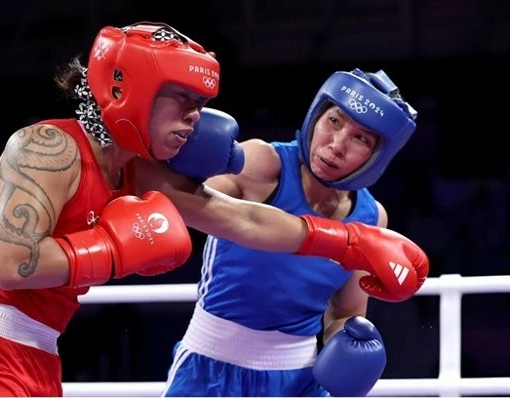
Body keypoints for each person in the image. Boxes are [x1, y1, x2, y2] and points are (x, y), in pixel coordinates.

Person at [0, 19, 427, 396]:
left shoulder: (134, 171)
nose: (194, 119)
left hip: (39, 356)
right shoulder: (46, 147)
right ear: (129, 92)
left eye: (199, 105)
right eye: (181, 100)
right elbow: (12, 267)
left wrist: (350, 240)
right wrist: (116, 246)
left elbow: (241, 220)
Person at [159, 68, 425, 397]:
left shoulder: (370, 218)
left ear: (377, 156)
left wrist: (348, 346)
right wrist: (181, 158)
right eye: (335, 122)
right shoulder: (261, 164)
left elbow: (346, 310)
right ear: (316, 116)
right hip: (209, 365)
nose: (337, 145)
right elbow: (179, 201)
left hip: (299, 379)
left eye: (361, 138)